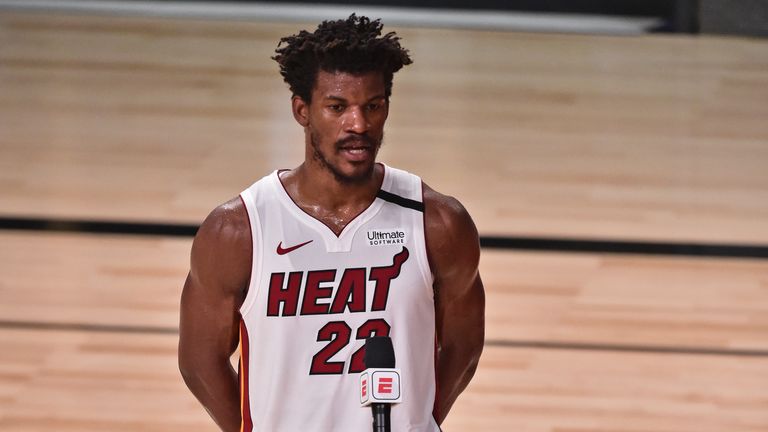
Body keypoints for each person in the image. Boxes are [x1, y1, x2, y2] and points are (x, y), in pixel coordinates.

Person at [178, 14, 484, 432]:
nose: (358, 125)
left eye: (372, 107)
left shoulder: (438, 223)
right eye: (338, 107)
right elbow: (200, 361)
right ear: (302, 111)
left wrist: (421, 422)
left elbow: (463, 346)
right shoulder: (240, 230)